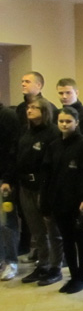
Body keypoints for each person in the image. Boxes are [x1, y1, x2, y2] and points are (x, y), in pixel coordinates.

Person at [2, 97, 63, 286]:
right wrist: (8, 180)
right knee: (37, 230)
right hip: (25, 187)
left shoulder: (53, 133)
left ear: (44, 111)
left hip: (45, 187)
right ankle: (42, 265)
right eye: (29, 107)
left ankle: (55, 267)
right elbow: (14, 157)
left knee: (52, 229)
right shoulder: (24, 132)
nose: (29, 110)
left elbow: (55, 164)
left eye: (34, 107)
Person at [40, 107, 83, 293]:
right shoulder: (54, 146)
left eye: (68, 121)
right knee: (67, 240)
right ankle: (73, 275)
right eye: (61, 121)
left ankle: (81, 277)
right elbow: (47, 176)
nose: (64, 124)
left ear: (76, 123)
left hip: (77, 202)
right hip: (58, 200)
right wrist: (45, 202)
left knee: (81, 239)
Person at [56, 77, 83, 273]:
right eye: (61, 93)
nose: (64, 96)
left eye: (68, 92)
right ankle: (71, 258)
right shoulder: (58, 114)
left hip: (81, 177)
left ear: (76, 92)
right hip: (64, 184)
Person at [0, 101, 21, 281]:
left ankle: (10, 261)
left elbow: (12, 151)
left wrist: (7, 178)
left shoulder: (7, 116)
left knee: (6, 222)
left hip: (3, 179)